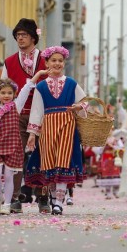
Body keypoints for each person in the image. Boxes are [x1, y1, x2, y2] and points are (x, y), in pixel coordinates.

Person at [0, 71, 47, 215]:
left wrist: (38, 74)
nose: (6, 95)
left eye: (9, 93)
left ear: (14, 94)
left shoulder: (16, 106)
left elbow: (27, 88)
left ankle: (7, 203)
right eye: (3, 93)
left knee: (8, 176)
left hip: (13, 147)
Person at [25, 46, 86, 215]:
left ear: (64, 63)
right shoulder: (41, 86)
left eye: (60, 60)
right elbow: (36, 111)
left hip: (67, 125)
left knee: (63, 162)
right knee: (50, 163)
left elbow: (85, 102)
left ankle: (59, 201)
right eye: (53, 60)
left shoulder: (72, 83)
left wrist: (79, 106)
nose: (57, 63)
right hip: (48, 127)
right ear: (46, 63)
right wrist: (32, 134)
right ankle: (53, 199)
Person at [1, 18, 48, 213]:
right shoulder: (9, 61)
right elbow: (2, 89)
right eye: (17, 35)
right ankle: (15, 197)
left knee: (43, 155)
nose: (20, 39)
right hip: (17, 115)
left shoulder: (47, 60)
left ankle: (43, 196)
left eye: (24, 35)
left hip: (43, 115)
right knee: (15, 157)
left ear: (33, 38)